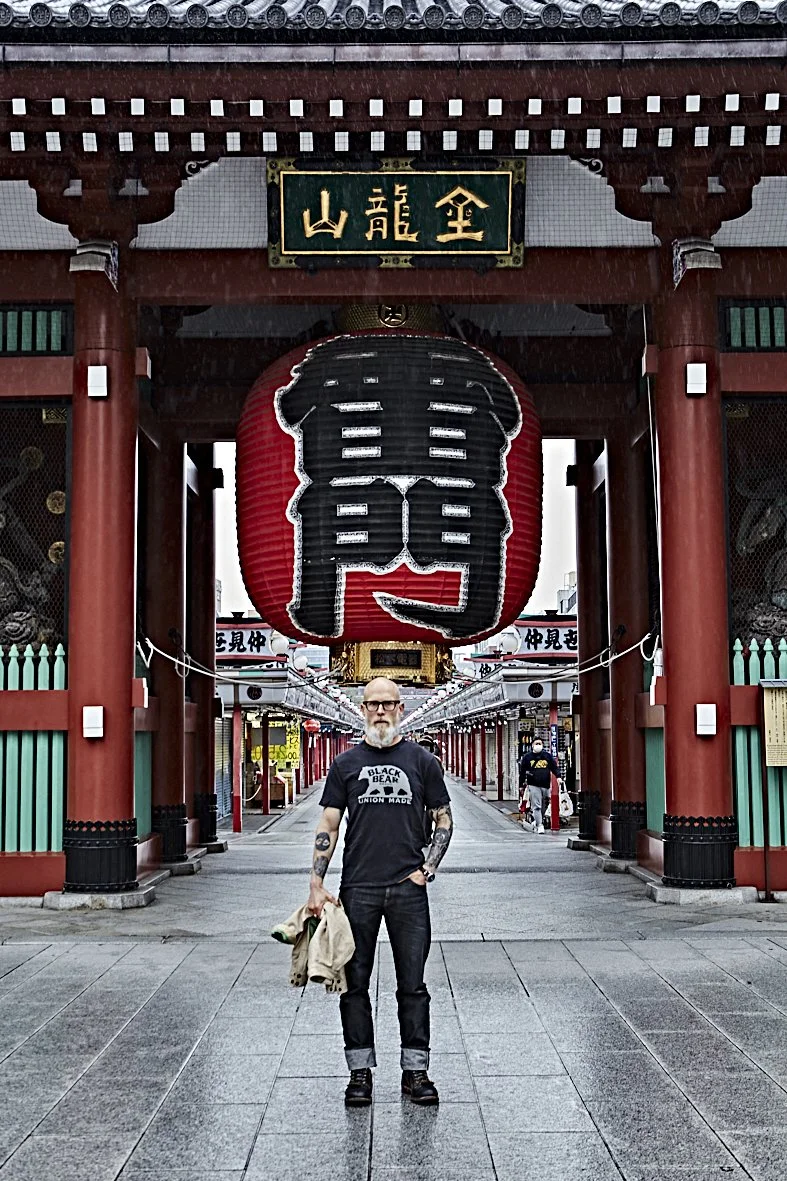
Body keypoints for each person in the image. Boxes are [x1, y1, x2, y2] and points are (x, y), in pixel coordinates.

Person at [307, 677, 454, 1109]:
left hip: (408, 889)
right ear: (362, 709)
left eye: (388, 704)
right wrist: (316, 882)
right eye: (372, 704)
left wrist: (427, 868)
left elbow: (443, 819)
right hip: (358, 889)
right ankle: (359, 1073)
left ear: (401, 708)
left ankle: (416, 1071)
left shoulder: (423, 762)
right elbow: (329, 826)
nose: (380, 712)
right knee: (354, 985)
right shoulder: (345, 765)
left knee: (413, 985)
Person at [519, 738, 560, 834]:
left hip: (546, 784)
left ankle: (537, 820)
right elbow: (522, 772)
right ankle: (540, 825)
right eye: (536, 743)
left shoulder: (547, 756)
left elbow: (554, 767)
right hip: (533, 784)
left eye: (540, 743)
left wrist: (558, 777)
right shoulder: (527, 757)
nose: (538, 745)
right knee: (536, 806)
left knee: (544, 805)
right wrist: (521, 784)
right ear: (532, 745)